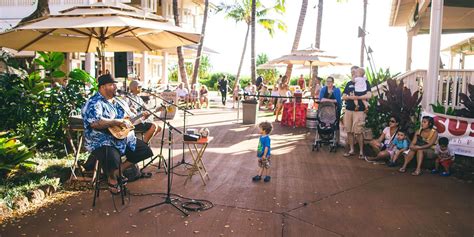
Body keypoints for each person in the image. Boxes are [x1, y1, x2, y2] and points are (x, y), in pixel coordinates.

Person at [82, 74, 154, 194]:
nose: (115, 87)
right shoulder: (94, 102)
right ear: (103, 87)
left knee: (144, 150)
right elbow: (95, 123)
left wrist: (142, 117)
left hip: (123, 138)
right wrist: (115, 121)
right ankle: (111, 178)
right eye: (111, 84)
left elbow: (129, 121)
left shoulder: (119, 101)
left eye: (115, 84)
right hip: (101, 141)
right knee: (113, 157)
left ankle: (117, 172)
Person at [342, 66, 372, 160]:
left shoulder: (365, 82)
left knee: (358, 131)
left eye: (354, 72)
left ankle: (361, 151)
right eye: (352, 73)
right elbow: (343, 96)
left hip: (359, 111)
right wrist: (351, 98)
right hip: (348, 110)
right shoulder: (349, 83)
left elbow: (369, 95)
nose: (353, 74)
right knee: (349, 131)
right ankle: (351, 150)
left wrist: (357, 98)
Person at [319, 76, 342, 143]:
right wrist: (332, 100)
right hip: (324, 110)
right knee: (323, 122)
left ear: (333, 82)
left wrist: (326, 100)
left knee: (336, 124)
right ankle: (323, 137)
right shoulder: (323, 89)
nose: (328, 83)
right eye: (327, 81)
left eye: (330, 81)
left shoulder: (336, 90)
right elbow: (321, 99)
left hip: (335, 110)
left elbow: (337, 100)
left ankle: (337, 140)